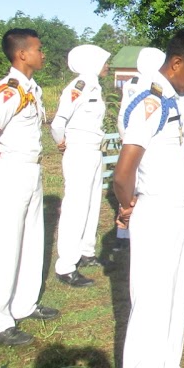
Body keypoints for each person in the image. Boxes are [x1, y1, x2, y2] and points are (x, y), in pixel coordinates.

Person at [113, 27, 184, 368]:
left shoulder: (176, 98)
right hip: (155, 212)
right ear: (177, 63)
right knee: (151, 304)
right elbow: (123, 171)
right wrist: (126, 207)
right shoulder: (150, 102)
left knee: (174, 301)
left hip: (176, 212)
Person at [0, 28, 59, 346]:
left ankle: (24, 303)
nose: (43, 53)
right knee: (4, 245)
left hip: (31, 171)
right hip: (10, 170)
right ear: (22, 54)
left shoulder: (30, 87)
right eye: (38, 48)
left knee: (31, 239)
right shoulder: (10, 91)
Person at [50, 44, 111, 288]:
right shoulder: (80, 87)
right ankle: (66, 266)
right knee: (76, 206)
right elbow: (58, 122)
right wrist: (61, 142)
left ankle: (86, 251)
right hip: (79, 151)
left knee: (92, 203)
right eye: (104, 61)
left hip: (94, 150)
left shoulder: (95, 86)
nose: (108, 65)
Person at [114, 47, 166, 250]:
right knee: (136, 188)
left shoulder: (131, 82)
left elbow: (122, 115)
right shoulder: (152, 85)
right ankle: (128, 228)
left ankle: (122, 234)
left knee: (129, 186)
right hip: (141, 142)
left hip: (128, 136)